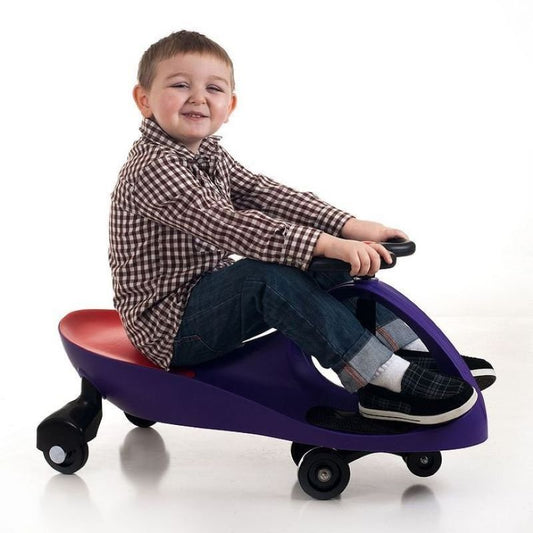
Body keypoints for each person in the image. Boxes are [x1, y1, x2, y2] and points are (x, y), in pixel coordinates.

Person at [109, 30, 494, 426]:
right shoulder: (153, 168)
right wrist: (325, 243)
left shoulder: (208, 153)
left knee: (324, 266)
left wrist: (348, 226)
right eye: (180, 85)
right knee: (265, 276)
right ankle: (379, 380)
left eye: (214, 88)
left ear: (230, 105)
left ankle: (406, 352)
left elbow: (263, 194)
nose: (198, 98)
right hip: (170, 328)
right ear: (144, 100)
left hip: (207, 300)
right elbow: (228, 225)